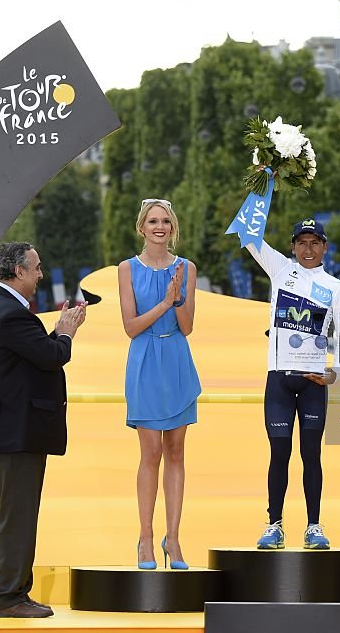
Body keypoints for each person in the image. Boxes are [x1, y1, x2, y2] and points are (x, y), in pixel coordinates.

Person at [0, 242, 86, 618]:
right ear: (18, 271)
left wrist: (57, 332)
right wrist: (66, 333)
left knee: (15, 516)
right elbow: (52, 357)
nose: (40, 274)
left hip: (11, 432)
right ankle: (8, 597)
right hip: (16, 432)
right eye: (36, 268)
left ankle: (15, 592)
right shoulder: (9, 314)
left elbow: (37, 353)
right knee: (17, 518)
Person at [244, 217, 340, 550]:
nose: (308, 249)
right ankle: (274, 525)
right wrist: (265, 181)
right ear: (292, 247)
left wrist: (337, 372)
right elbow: (248, 234)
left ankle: (314, 526)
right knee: (279, 452)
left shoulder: (334, 287)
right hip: (279, 378)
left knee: (311, 455)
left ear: (325, 247)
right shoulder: (279, 270)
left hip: (313, 383)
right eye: (302, 243)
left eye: (314, 242)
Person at [117, 198, 201, 570]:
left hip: (178, 360)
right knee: (151, 451)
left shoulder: (187, 268)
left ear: (173, 226)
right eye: (152, 221)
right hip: (146, 361)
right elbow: (131, 327)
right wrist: (166, 301)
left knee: (177, 452)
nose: (159, 227)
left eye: (165, 221)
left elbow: (187, 326)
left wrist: (178, 297)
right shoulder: (126, 269)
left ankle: (175, 538)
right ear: (141, 227)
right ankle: (146, 538)